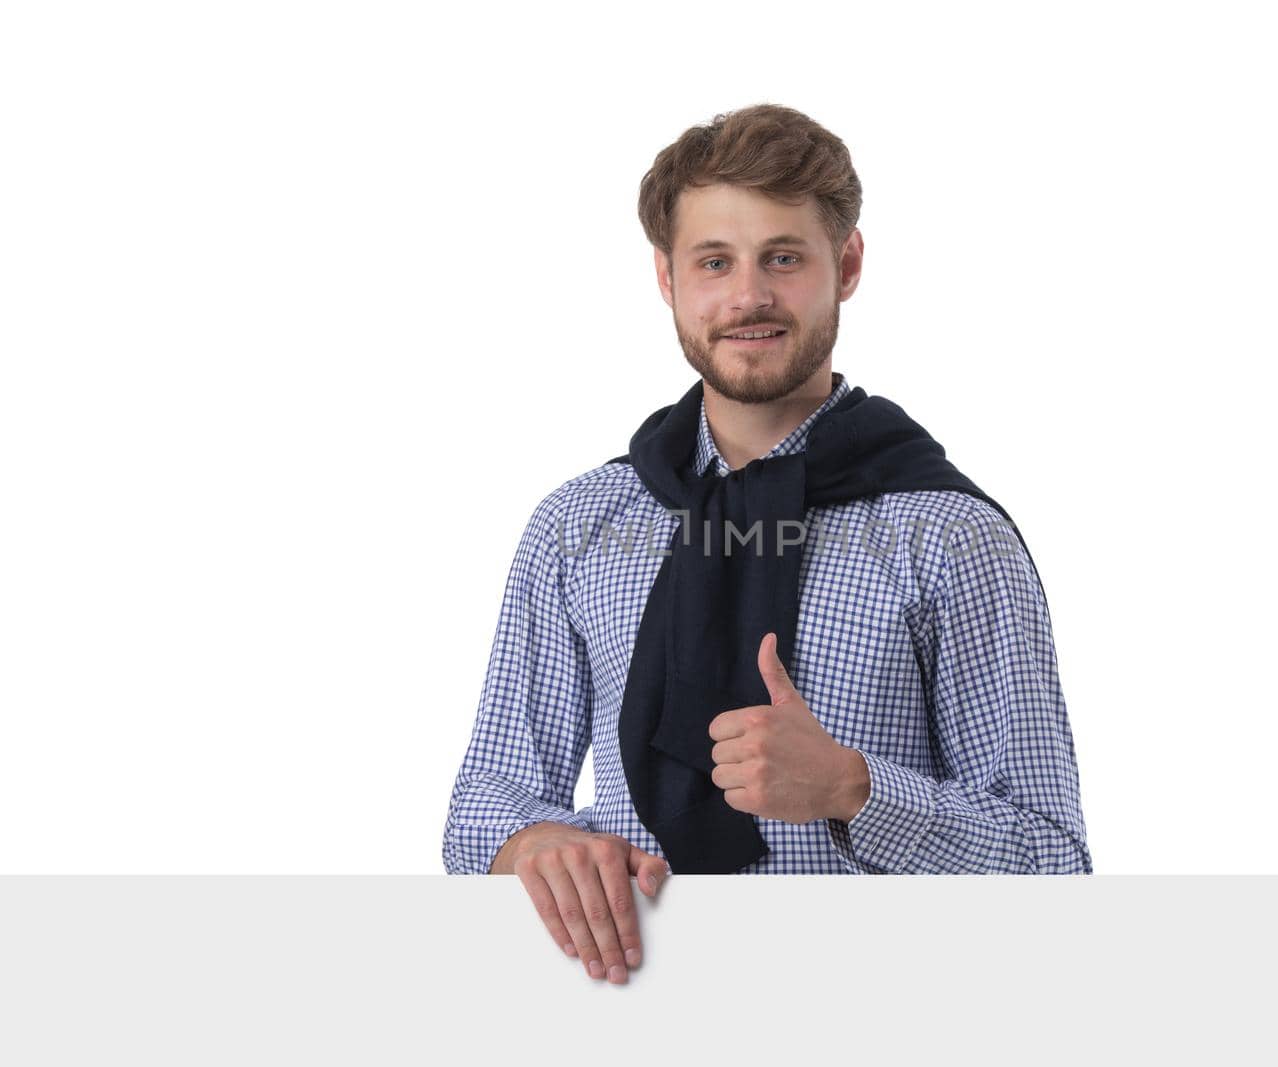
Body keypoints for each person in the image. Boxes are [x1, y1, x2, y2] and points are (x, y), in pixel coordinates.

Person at [441, 103, 1092, 985]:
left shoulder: (950, 536)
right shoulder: (579, 527)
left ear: (847, 264)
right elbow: (484, 805)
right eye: (716, 262)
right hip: (620, 1009)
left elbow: (1056, 869)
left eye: (783, 257)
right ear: (668, 279)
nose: (749, 296)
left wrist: (853, 791)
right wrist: (533, 844)